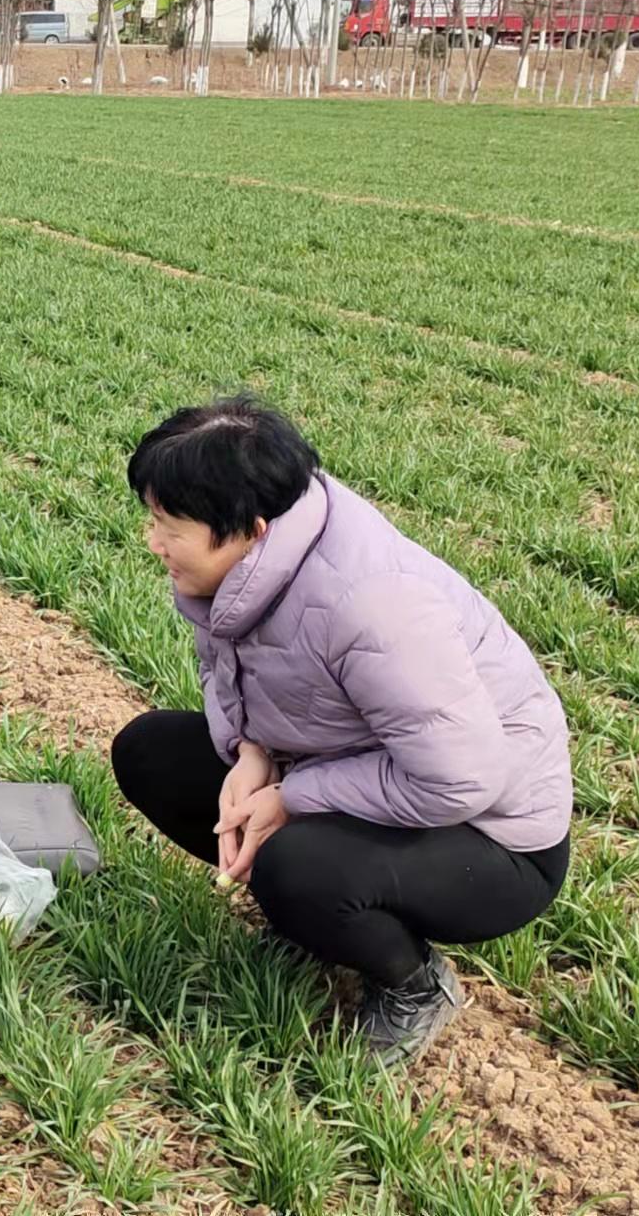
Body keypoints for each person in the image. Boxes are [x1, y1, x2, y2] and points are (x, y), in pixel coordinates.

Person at [109, 396, 573, 1067]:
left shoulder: (369, 604)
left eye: (167, 524)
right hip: (363, 772)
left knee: (294, 864)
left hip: (491, 837)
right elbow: (234, 678)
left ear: (250, 527)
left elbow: (460, 779)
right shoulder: (238, 570)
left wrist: (292, 798)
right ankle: (314, 924)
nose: (152, 541)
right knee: (151, 752)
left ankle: (413, 982)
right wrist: (250, 755)